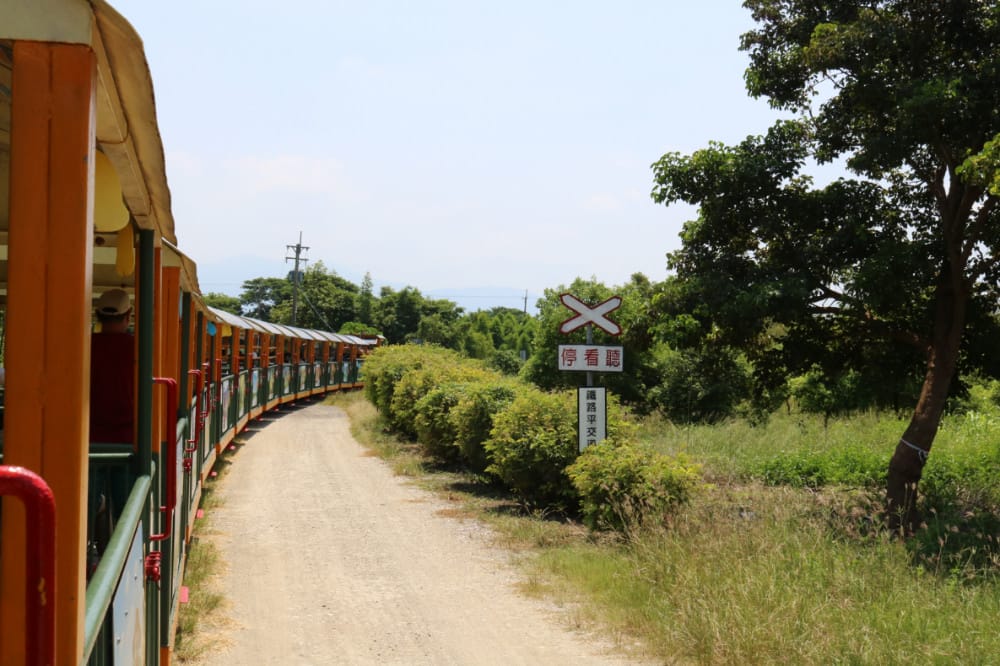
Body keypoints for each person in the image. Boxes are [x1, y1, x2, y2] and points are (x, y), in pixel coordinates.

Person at [89, 288, 135, 444]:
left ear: (98, 315)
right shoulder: (137, 347)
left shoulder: (84, 346)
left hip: (87, 434)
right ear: (128, 315)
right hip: (129, 436)